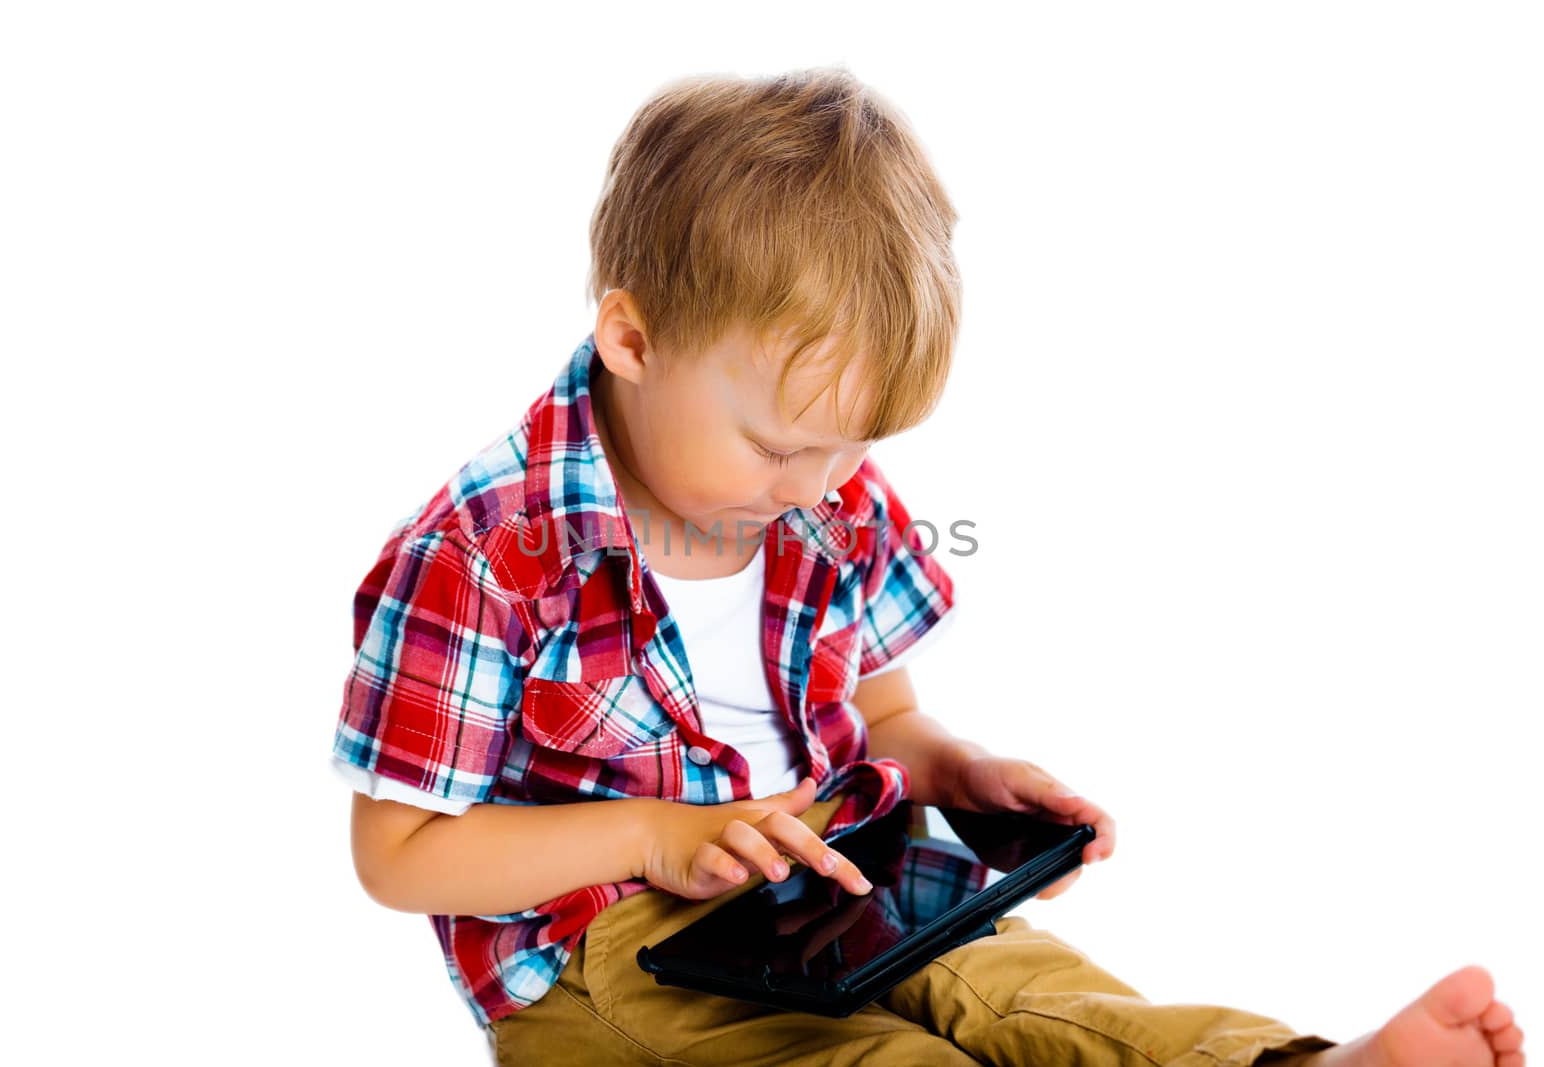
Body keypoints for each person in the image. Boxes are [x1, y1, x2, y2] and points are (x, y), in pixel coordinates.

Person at [328, 67, 1525, 1067]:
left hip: (833, 874)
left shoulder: (824, 490)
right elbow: (402, 853)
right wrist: (655, 836)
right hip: (603, 949)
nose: (818, 485)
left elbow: (880, 715)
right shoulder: (485, 552)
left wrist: (958, 770)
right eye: (782, 444)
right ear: (632, 340)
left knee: (1024, 988)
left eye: (855, 446)